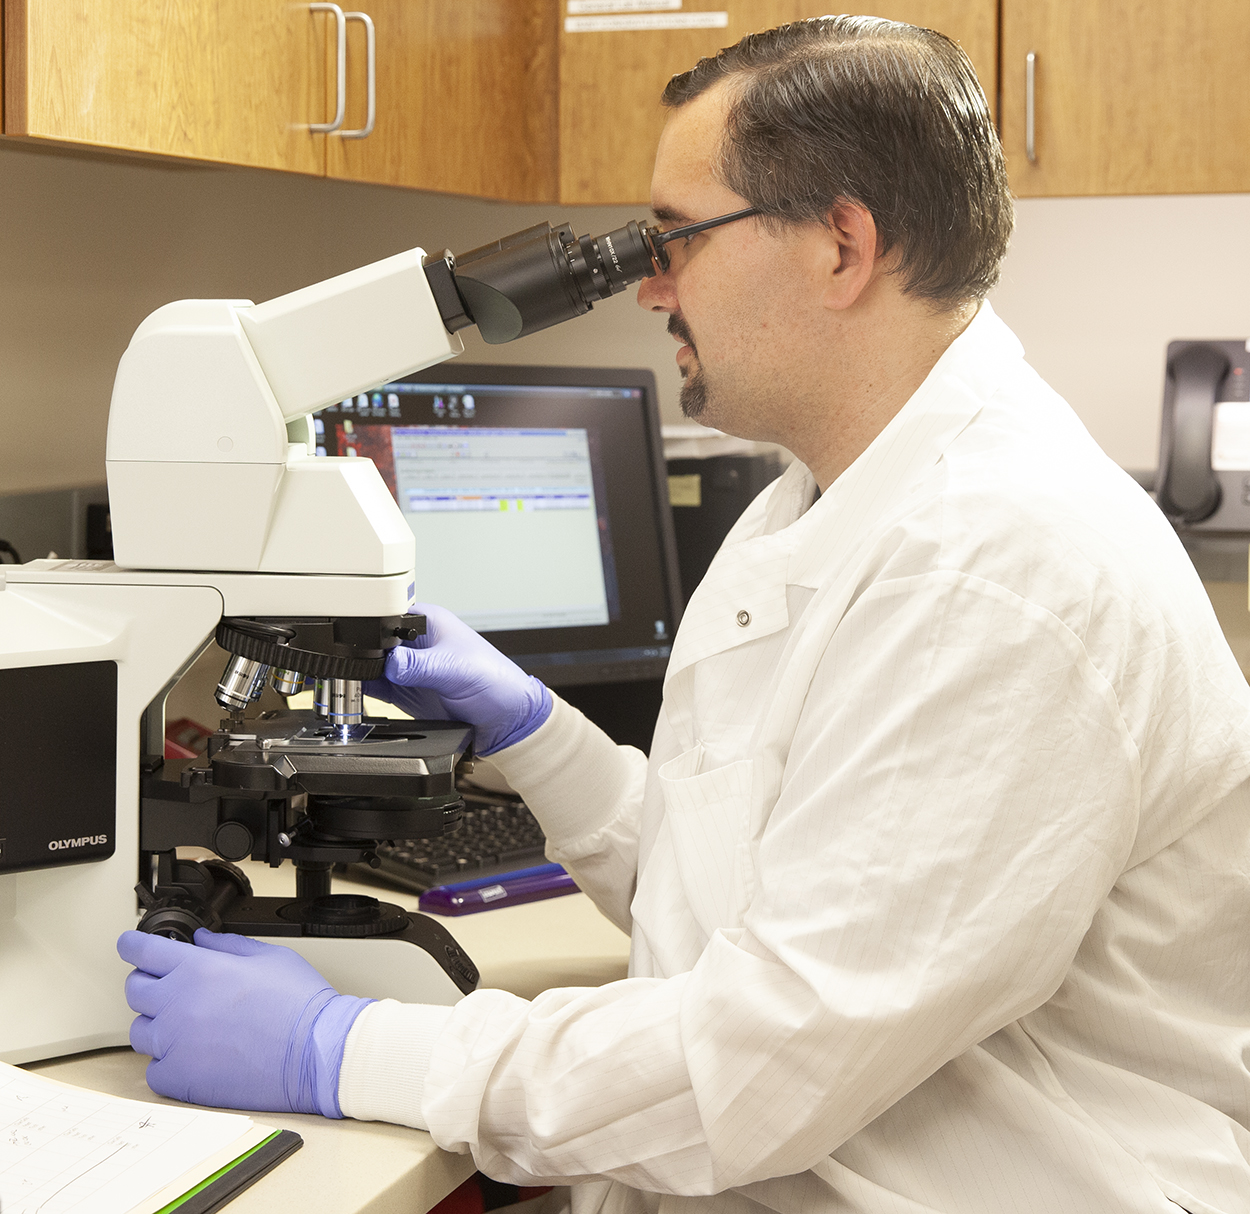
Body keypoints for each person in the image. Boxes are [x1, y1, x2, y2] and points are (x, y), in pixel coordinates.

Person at [119, 16, 1250, 1213]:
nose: (649, 285)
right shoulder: (821, 502)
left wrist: (344, 1048)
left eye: (672, 239)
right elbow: (743, 901)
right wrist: (537, 737)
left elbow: (766, 1055)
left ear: (840, 247)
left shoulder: (995, 570)